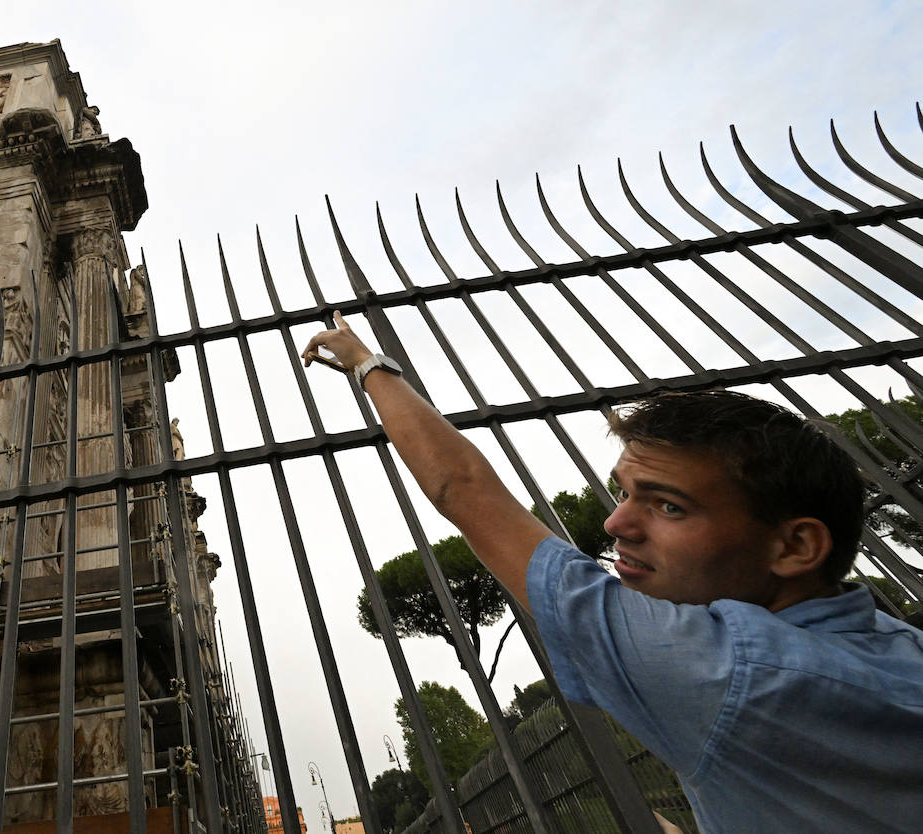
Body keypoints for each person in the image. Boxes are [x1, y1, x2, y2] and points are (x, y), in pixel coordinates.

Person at [302, 312, 923, 834]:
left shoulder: (723, 670)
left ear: (796, 546)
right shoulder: (902, 648)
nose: (616, 525)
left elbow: (462, 487)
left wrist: (365, 362)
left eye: (668, 505)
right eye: (624, 493)